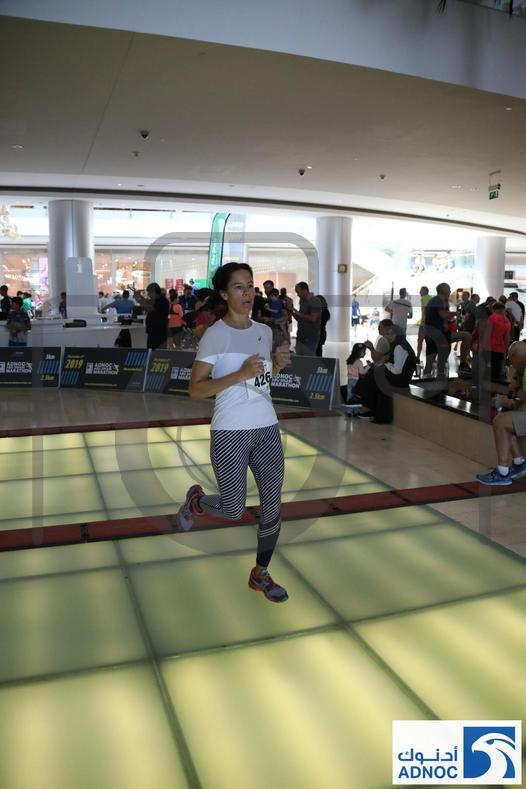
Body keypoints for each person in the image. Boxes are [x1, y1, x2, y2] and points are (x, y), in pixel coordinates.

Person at [177, 262, 291, 603]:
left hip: (267, 427)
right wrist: (239, 374)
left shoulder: (265, 331)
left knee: (273, 506)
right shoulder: (215, 334)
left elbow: (261, 381)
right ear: (224, 294)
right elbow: (196, 390)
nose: (248, 293)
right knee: (232, 508)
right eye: (239, 287)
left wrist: (277, 366)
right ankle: (196, 501)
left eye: (251, 285)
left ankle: (261, 574)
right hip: (230, 431)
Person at [476, 341, 526, 485]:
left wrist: (516, 392)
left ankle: (502, 473)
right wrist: (510, 396)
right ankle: (519, 463)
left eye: (511, 360)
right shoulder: (522, 369)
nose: (510, 364)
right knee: (504, 419)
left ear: (517, 356)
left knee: (500, 421)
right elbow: (513, 388)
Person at [357, 324, 416, 423]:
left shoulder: (399, 347)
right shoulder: (398, 344)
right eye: (387, 334)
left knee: (374, 374)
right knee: (373, 372)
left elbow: (396, 370)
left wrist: (385, 364)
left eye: (392, 334)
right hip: (401, 378)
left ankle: (362, 400)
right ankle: (371, 407)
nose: (389, 336)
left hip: (400, 380)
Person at [133, 282, 170, 349]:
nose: (148, 295)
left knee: (158, 352)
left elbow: (149, 308)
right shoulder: (154, 300)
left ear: (154, 292)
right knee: (150, 351)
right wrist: (139, 297)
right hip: (152, 331)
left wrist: (139, 298)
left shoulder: (163, 301)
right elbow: (146, 303)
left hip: (159, 332)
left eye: (149, 293)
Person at [291, 282, 321, 356]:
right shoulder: (301, 301)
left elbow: (313, 318)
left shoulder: (315, 301)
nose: (297, 295)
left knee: (308, 360)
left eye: (298, 292)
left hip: (310, 338)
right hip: (300, 336)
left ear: (304, 290)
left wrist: (298, 313)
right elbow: (300, 318)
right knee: (299, 359)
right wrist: (291, 311)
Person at [485, 302, 512, 383]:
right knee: (496, 371)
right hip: (500, 348)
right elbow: (507, 337)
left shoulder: (492, 318)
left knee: (487, 370)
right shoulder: (507, 321)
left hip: (489, 347)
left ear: (494, 309)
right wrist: (505, 349)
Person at [416, 286, 431, 360]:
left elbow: (426, 310)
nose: (419, 292)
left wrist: (424, 323)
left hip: (424, 324)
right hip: (430, 324)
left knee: (420, 340)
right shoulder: (430, 298)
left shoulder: (424, 298)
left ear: (425, 291)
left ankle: (418, 357)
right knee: (429, 341)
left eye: (421, 291)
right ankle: (430, 358)